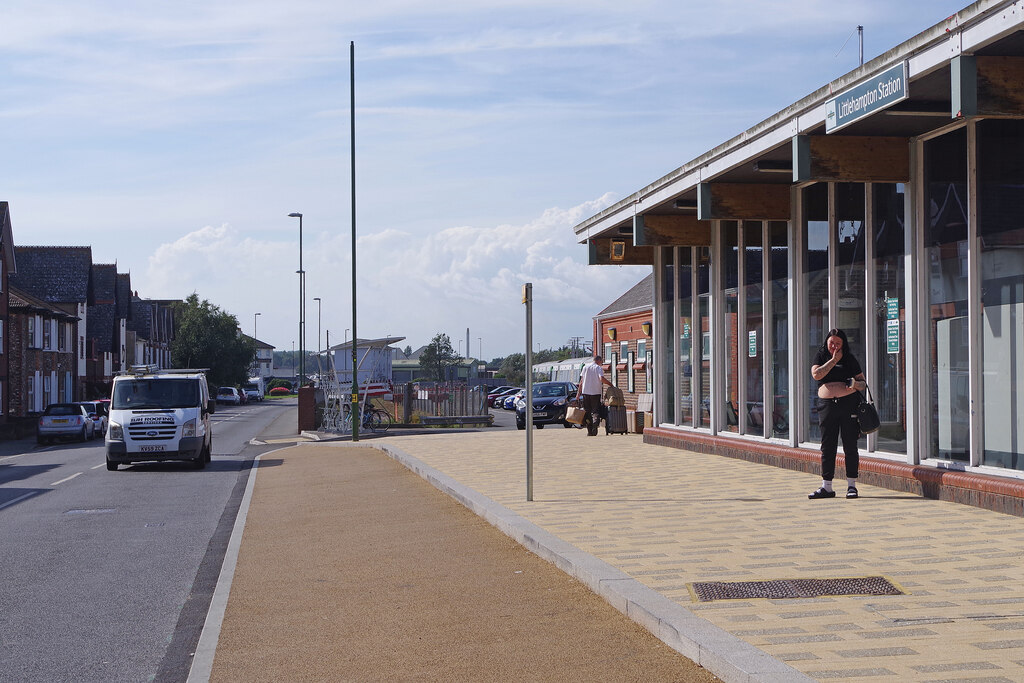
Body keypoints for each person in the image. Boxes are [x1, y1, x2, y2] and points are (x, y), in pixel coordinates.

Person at [808, 328, 866, 500]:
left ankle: (851, 486)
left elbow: (863, 384)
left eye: (838, 343)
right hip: (827, 406)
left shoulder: (849, 358)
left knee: (850, 444)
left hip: (848, 404)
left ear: (843, 344)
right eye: (831, 343)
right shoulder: (821, 356)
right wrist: (833, 361)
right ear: (827, 342)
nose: (834, 346)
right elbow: (816, 375)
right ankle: (827, 486)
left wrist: (854, 384)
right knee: (827, 445)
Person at [576, 354, 614, 436]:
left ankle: (590, 431)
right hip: (595, 393)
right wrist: (610, 384)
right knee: (595, 410)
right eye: (601, 362)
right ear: (599, 361)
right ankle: (595, 423)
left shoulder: (585, 367)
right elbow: (601, 379)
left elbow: (581, 382)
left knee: (587, 411)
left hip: (585, 392)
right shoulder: (598, 368)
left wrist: (578, 394)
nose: (601, 363)